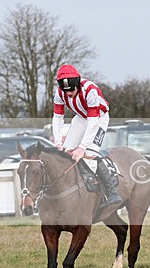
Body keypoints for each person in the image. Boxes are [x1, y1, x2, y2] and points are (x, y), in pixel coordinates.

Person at [52, 64, 122, 205]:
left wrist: (83, 147)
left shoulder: (90, 90)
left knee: (90, 154)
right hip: (80, 118)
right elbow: (58, 118)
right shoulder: (59, 93)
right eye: (66, 91)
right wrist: (58, 143)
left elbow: (93, 121)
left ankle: (110, 192)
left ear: (77, 84)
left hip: (98, 118)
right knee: (66, 153)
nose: (69, 94)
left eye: (72, 90)